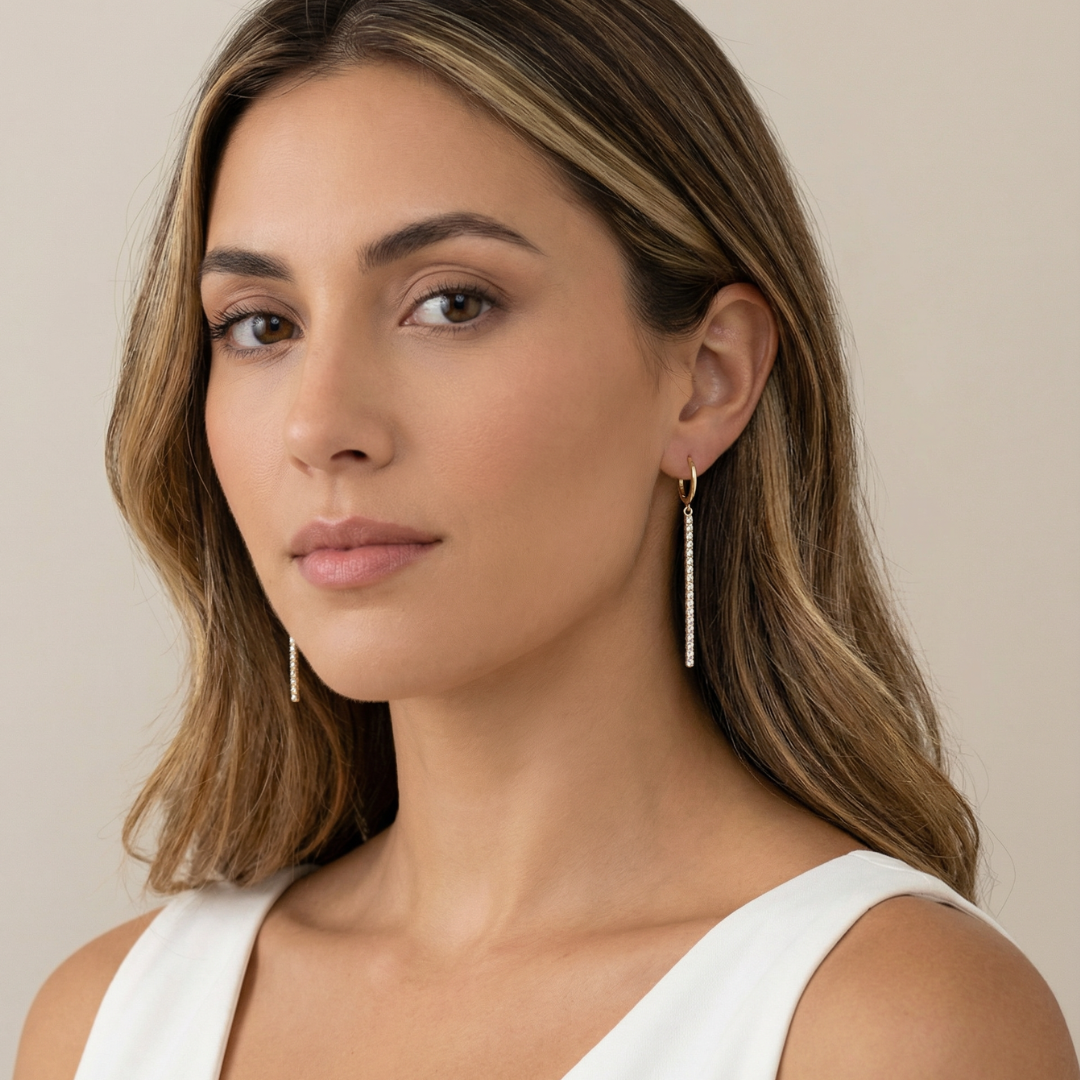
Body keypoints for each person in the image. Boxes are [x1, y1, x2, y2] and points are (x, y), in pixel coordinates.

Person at [14, 0, 1078, 1077]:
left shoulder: (889, 1026)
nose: (321, 425)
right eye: (261, 325)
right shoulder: (103, 1027)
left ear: (708, 379)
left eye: (453, 303)